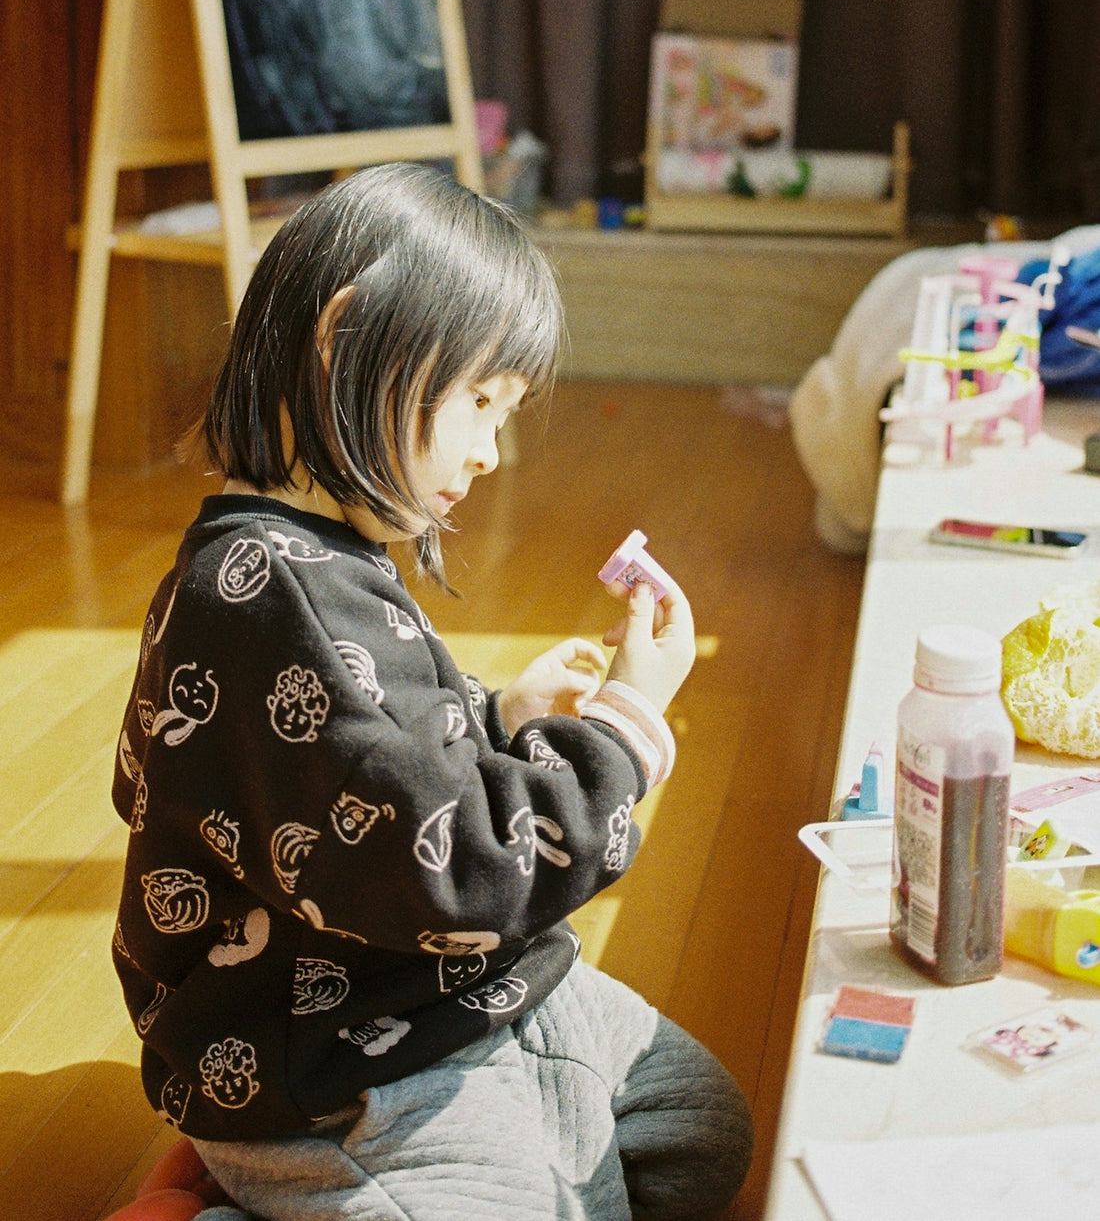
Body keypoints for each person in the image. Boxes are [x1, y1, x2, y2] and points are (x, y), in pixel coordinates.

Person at [111, 163, 753, 1220]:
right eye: (479, 403)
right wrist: (623, 733)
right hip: (330, 1061)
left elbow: (364, 760)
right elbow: (456, 872)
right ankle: (240, 1185)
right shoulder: (269, 590)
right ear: (345, 338)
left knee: (699, 1128)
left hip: (458, 990)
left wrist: (501, 717)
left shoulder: (311, 555)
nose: (492, 452)